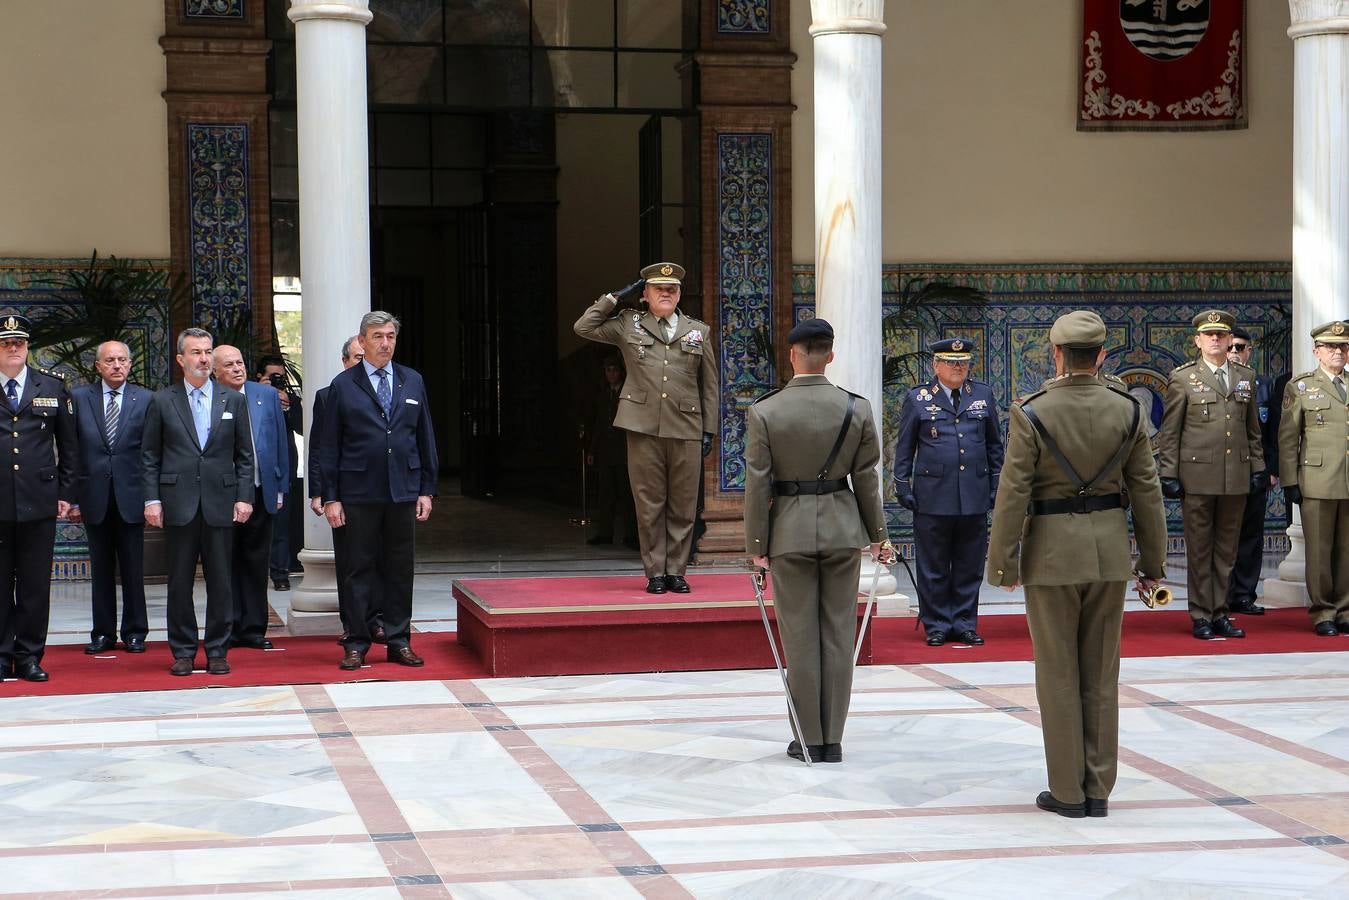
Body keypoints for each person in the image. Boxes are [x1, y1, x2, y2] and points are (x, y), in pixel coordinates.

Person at [987, 310, 1167, 819]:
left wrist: (1002, 563)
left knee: (1059, 674)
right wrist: (1152, 562)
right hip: (1109, 552)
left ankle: (1067, 791)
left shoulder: (1032, 410)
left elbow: (1014, 491)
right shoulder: (1128, 409)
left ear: (1057, 354)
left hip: (1050, 555)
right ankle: (1098, 788)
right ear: (1103, 355)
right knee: (1101, 673)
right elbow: (1147, 492)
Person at [744, 317, 890, 764]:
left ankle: (808, 738)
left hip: (789, 532)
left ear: (792, 355)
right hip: (843, 530)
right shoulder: (856, 408)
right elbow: (866, 480)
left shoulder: (766, 410)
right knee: (838, 634)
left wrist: (756, 546)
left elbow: (758, 485)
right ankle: (834, 738)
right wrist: (878, 537)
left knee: (801, 638)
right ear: (830, 355)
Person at [574, 262, 719, 594]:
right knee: (649, 503)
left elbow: (709, 385)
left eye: (672, 289)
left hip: (686, 426)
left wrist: (708, 428)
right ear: (645, 295)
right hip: (641, 427)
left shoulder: (698, 330)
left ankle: (676, 571)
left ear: (679, 294)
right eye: (658, 289)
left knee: (683, 505)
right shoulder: (628, 324)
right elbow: (583, 326)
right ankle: (655, 571)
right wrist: (614, 298)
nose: (666, 293)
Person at [319, 311, 437, 671]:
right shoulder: (343, 385)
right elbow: (328, 446)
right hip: (357, 492)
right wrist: (330, 496)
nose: (385, 343)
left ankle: (399, 640)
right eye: (377, 336)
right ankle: (356, 642)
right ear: (363, 340)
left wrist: (426, 489)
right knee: (358, 569)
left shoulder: (412, 381)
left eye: (390, 336)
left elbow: (424, 437)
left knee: (400, 569)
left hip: (402, 490)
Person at [142, 327, 254, 676]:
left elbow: (245, 455)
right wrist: (152, 499)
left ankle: (218, 649)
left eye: (207, 352)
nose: (203, 358)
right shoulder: (162, 400)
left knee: (221, 580)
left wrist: (244, 497)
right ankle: (184, 651)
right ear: (181, 359)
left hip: (221, 501)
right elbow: (149, 455)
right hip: (178, 501)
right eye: (196, 352)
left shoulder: (232, 399)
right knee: (179, 581)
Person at [1157, 310, 1265, 640]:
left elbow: (1252, 430)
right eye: (1210, 335)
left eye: (1222, 334)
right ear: (1198, 341)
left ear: (1230, 339)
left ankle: (1221, 613)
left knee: (1227, 550)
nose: (1216, 339)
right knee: (1201, 550)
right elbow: (1170, 431)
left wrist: (1258, 467)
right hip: (1198, 475)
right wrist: (1168, 472)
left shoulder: (1245, 376)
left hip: (1235, 475)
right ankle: (1201, 614)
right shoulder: (1183, 378)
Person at [893, 337, 1004, 645]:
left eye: (963, 363)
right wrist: (902, 485)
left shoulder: (982, 395)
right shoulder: (918, 398)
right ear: (936, 365)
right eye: (951, 362)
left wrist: (996, 485)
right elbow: (905, 448)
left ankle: (965, 623)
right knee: (934, 565)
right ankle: (938, 624)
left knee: (970, 564)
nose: (958, 368)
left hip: (973, 493)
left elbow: (995, 445)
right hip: (933, 494)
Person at [0, 313, 78, 683]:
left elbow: (69, 445)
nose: (13, 348)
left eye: (19, 343)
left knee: (34, 585)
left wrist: (66, 493)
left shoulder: (52, 385)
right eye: (5, 343)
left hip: (40, 499)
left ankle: (30, 655)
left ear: (27, 347)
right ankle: (1, 656)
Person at [70, 340, 151, 655]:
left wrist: (152, 498)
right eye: (110, 360)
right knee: (101, 569)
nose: (117, 365)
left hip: (133, 495)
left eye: (122, 360)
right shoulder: (78, 398)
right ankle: (102, 633)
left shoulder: (146, 399)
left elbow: (151, 452)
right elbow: (71, 451)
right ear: (98, 366)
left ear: (130, 364)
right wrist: (73, 497)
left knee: (133, 569)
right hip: (94, 496)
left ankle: (135, 632)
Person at [309, 334, 384, 645]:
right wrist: (321, 492)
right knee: (351, 562)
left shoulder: (389, 392)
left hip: (385, 493)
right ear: (345, 362)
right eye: (356, 357)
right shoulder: (330, 395)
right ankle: (354, 624)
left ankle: (378, 620)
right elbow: (320, 449)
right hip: (346, 492)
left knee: (382, 559)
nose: (361, 362)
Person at [213, 346, 288, 651]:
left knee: (257, 562)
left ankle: (255, 629)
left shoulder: (265, 395)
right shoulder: (212, 397)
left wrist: (281, 486)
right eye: (228, 365)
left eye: (240, 363)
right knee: (227, 563)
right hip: (225, 495)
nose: (237, 369)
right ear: (215, 371)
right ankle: (229, 627)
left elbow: (280, 441)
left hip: (262, 489)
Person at [1278, 320, 1349, 636]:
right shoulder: (1302, 386)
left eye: (1343, 346)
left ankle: (1345, 609)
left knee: (1346, 550)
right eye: (1331, 346)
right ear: (1317, 351)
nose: (1338, 351)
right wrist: (1289, 480)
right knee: (1319, 550)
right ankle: (1323, 612)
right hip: (1317, 479)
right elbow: (1288, 437)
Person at [1225, 327, 1277, 616]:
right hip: (1224, 472)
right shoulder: (1216, 383)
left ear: (1249, 350)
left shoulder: (1265, 385)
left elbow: (1272, 432)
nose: (1234, 352)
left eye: (1239, 347)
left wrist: (1271, 469)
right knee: (1223, 535)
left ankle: (1244, 594)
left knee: (1251, 536)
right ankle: (1221, 594)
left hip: (1255, 472)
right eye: (1230, 347)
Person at [257, 355, 301, 590]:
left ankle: (280, 573)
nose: (276, 381)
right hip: (255, 468)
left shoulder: (289, 399)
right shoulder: (252, 396)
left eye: (280, 377)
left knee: (282, 524)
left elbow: (304, 428)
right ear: (259, 377)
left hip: (284, 468)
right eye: (271, 376)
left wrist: (288, 405)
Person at [586, 354, 636, 548]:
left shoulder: (627, 392)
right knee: (605, 495)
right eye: (608, 370)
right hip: (607, 453)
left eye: (614, 369)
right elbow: (599, 423)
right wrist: (592, 450)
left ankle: (632, 536)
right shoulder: (603, 393)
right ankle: (605, 533)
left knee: (627, 496)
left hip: (625, 452)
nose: (611, 374)